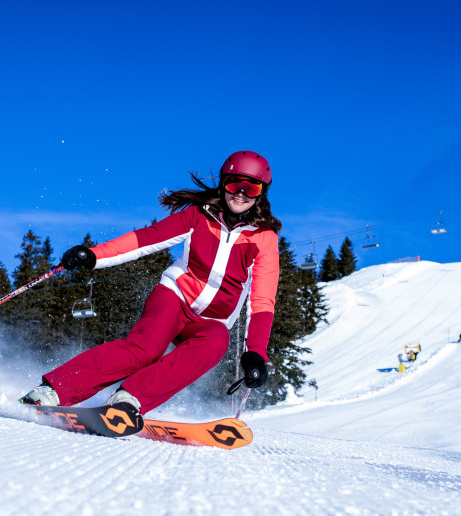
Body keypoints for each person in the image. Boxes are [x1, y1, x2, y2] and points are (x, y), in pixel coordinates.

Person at [19, 151, 281, 421]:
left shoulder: (264, 239)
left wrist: (255, 354)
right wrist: (95, 255)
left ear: (261, 193)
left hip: (212, 320)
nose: (240, 193)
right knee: (146, 348)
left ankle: (129, 399)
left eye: (250, 187)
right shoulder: (198, 216)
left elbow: (262, 301)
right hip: (174, 298)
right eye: (233, 184)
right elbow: (146, 239)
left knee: (217, 340)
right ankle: (52, 391)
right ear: (223, 183)